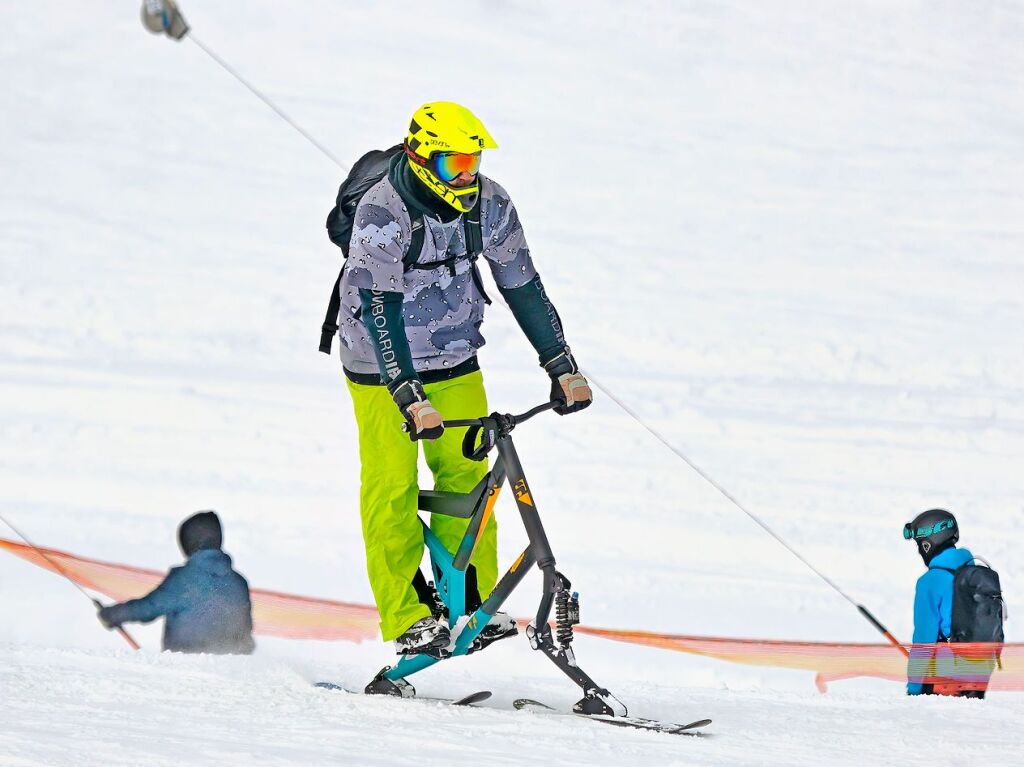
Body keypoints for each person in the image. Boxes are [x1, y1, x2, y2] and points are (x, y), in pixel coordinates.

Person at [335, 102, 592, 657]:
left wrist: (562, 365)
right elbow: (379, 308)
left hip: (453, 354)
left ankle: (472, 605)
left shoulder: (491, 204)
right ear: (422, 157)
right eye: (455, 163)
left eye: (473, 160)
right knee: (392, 483)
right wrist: (407, 394)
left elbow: (523, 286)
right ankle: (407, 616)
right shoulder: (383, 211)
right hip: (380, 365)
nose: (469, 174)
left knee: (469, 477)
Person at [97, 511, 255, 654]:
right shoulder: (239, 582)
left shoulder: (184, 579)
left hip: (188, 667)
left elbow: (148, 607)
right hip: (235, 668)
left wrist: (112, 615)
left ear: (189, 542)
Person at [903, 508, 991, 698]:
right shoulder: (975, 572)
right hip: (979, 677)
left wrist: (914, 689)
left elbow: (923, 642)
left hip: (944, 681)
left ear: (928, 543)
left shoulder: (930, 581)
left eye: (919, 544)